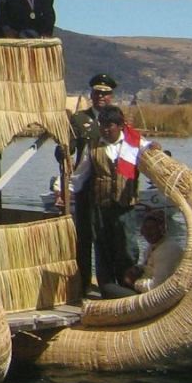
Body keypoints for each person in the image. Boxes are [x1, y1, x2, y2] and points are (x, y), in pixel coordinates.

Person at [70, 105, 150, 299]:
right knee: (103, 247)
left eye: (110, 125)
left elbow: (151, 151)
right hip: (101, 206)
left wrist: (155, 148)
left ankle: (128, 287)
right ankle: (107, 289)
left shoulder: (134, 143)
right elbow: (80, 175)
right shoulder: (94, 146)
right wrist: (64, 193)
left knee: (127, 247)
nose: (105, 129)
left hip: (125, 206)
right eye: (102, 125)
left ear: (120, 125)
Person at [67, 72, 118, 291]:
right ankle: (84, 282)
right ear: (91, 94)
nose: (100, 97)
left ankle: (107, 283)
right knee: (84, 237)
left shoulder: (116, 119)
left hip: (109, 187)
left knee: (106, 236)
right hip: (86, 187)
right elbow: (68, 148)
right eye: (97, 93)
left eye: (105, 94)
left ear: (111, 97)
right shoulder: (80, 119)